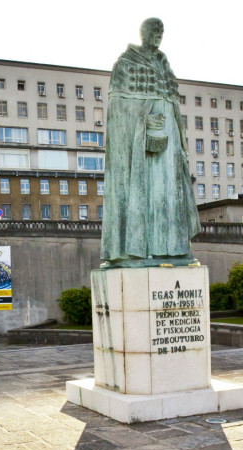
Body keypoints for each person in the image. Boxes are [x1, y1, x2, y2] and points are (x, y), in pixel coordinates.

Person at [100, 18, 200, 266]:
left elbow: (174, 109)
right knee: (146, 193)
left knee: (170, 193)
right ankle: (141, 249)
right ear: (143, 33)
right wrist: (142, 121)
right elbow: (117, 108)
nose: (159, 34)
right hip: (141, 147)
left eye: (162, 31)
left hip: (170, 144)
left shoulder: (165, 66)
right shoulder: (126, 64)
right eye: (155, 30)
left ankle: (171, 249)